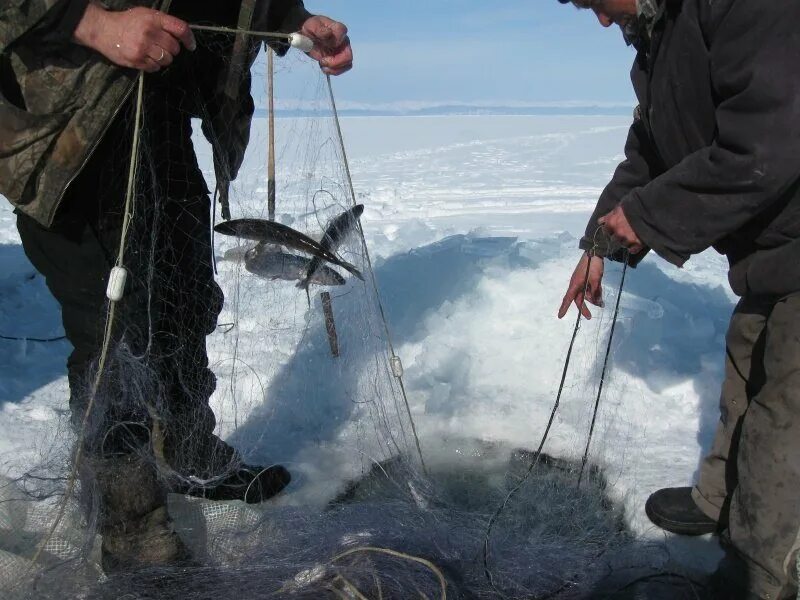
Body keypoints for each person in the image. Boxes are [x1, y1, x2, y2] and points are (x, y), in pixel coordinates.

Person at [0, 0, 352, 572]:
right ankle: (132, 527)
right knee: (115, 333)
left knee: (186, 298)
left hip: (164, 109)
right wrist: (91, 21)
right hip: (70, 126)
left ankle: (189, 452)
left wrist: (292, 17)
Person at [555, 0, 800, 598]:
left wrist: (646, 218)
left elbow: (766, 144)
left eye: (595, 2)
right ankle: (719, 499)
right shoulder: (659, 42)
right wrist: (599, 245)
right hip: (771, 252)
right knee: (747, 363)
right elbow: (650, 154)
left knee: (784, 415)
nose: (602, 21)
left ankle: (762, 574)